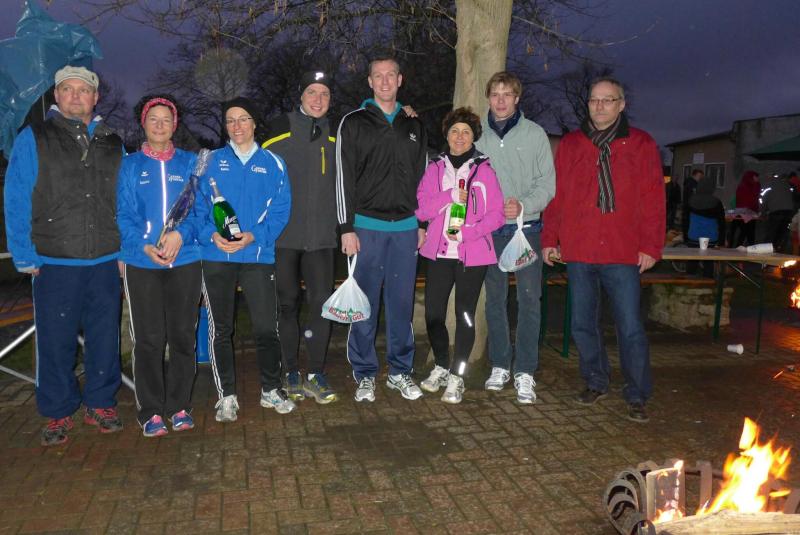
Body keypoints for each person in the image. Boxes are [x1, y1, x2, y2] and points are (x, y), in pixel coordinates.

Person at [4, 66, 124, 445]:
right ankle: (58, 410)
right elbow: (16, 197)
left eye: (83, 90)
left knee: (105, 338)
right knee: (55, 342)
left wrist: (125, 250)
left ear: (95, 97)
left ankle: (101, 402)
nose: (75, 96)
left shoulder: (113, 142)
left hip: (105, 259)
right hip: (54, 260)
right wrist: (23, 253)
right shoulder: (34, 137)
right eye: (67, 89)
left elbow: (124, 202)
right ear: (56, 96)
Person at [542, 76, 665, 423]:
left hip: (623, 251)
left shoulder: (641, 143)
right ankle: (596, 380)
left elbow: (654, 198)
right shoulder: (572, 144)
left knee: (630, 327)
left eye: (607, 100)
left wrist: (651, 245)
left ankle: (637, 393)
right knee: (582, 324)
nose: (599, 106)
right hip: (580, 249)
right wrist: (549, 239)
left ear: (621, 105)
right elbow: (557, 195)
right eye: (594, 100)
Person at [336, 55, 429, 402]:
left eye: (391, 75)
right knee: (364, 305)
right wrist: (346, 227)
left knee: (402, 305)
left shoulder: (414, 125)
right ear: (370, 82)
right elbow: (343, 178)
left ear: (400, 80)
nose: (385, 81)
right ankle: (364, 374)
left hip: (406, 229)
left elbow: (423, 179)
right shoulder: (353, 122)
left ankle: (400, 372)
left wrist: (422, 223)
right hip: (365, 228)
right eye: (379, 76)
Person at [199, 97, 293, 422]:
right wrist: (211, 235)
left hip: (257, 254)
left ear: (254, 123)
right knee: (221, 329)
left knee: (266, 327)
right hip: (217, 255)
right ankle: (226, 395)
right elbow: (197, 206)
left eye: (243, 119)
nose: (236, 126)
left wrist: (254, 235)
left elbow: (281, 211)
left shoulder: (273, 163)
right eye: (230, 120)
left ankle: (271, 389)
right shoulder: (209, 162)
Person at [117, 95, 202, 437]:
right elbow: (123, 214)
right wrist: (143, 244)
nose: (160, 125)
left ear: (175, 125)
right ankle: (150, 410)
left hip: (185, 259)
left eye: (167, 119)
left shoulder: (191, 163)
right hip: (143, 262)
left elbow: (201, 210)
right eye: (154, 119)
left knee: (183, 335)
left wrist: (181, 235)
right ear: (144, 123)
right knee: (149, 339)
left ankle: (179, 406)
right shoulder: (130, 166)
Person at [474, 71, 555, 404]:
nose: (501, 100)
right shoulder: (476, 134)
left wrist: (524, 205)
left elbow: (547, 184)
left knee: (529, 300)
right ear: (488, 98)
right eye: (495, 94)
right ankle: (500, 365)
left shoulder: (535, 134)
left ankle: (525, 371)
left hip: (527, 230)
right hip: (490, 232)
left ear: (517, 98)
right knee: (494, 300)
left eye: (507, 94)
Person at [416, 107, 504, 404]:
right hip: (438, 254)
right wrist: (450, 196)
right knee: (433, 314)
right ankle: (441, 366)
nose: (460, 137)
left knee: (465, 315)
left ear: (473, 137)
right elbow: (422, 209)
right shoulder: (435, 168)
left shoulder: (485, 170)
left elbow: (497, 215)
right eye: (454, 131)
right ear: (447, 135)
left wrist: (468, 233)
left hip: (472, 255)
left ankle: (457, 376)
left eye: (466, 132)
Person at [262, 71, 338, 404]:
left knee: (321, 304)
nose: (318, 99)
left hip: (321, 238)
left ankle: (315, 373)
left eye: (324, 94)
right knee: (287, 304)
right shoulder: (279, 128)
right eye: (311, 92)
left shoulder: (337, 133)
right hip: (284, 237)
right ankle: (291, 370)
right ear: (301, 96)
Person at [685, 174, 725, 277]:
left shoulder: (691, 200)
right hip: (710, 238)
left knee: (692, 262)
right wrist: (721, 241)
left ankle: (690, 281)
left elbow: (685, 220)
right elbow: (721, 223)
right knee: (708, 263)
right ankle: (707, 281)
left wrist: (685, 236)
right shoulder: (717, 202)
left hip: (693, 237)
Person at [761, 173, 794, 253]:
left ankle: (765, 254)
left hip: (776, 212)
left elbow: (763, 200)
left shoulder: (769, 185)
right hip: (789, 212)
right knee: (781, 234)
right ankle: (778, 252)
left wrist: (763, 213)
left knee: (770, 234)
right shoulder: (786, 184)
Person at [728, 170, 760, 247]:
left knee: (741, 231)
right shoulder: (753, 186)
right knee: (748, 232)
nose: (757, 179)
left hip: (739, 212)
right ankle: (749, 247)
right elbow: (753, 200)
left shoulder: (742, 185)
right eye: (756, 177)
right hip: (749, 213)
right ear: (752, 177)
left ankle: (733, 247)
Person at [681, 169, 704, 242]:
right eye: (700, 176)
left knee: (687, 224)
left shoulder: (691, 183)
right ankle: (688, 240)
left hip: (688, 209)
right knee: (688, 225)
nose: (700, 178)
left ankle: (687, 239)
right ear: (695, 175)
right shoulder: (692, 184)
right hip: (690, 209)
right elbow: (692, 197)